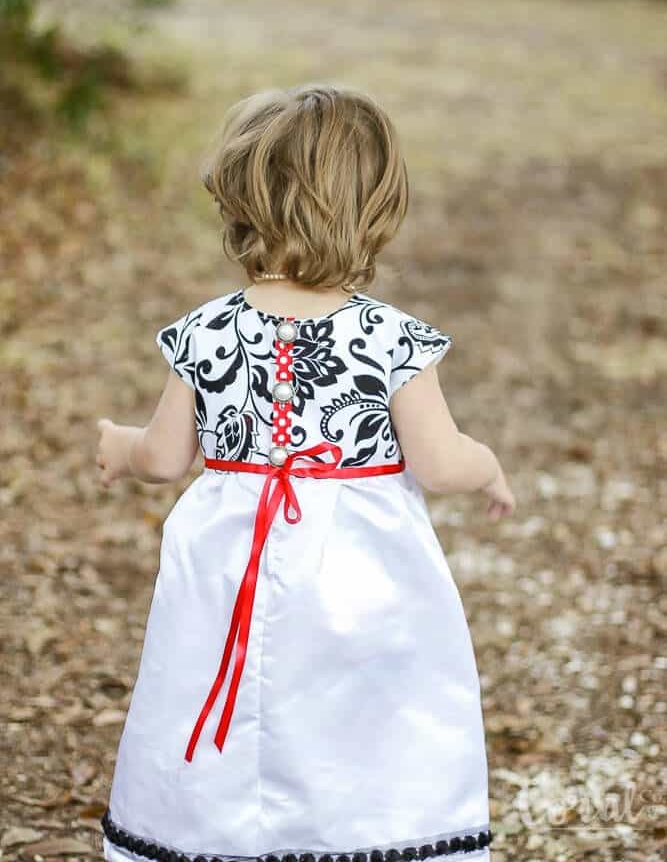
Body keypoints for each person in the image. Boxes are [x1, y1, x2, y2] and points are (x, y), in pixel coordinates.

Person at [95, 84, 515, 862]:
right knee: (363, 704)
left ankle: (214, 837)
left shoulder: (208, 328)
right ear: (373, 209)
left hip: (229, 565)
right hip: (362, 571)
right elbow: (437, 460)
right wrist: (485, 465)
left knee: (214, 693)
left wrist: (118, 446)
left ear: (241, 202)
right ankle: (359, 835)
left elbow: (163, 456)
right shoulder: (389, 339)